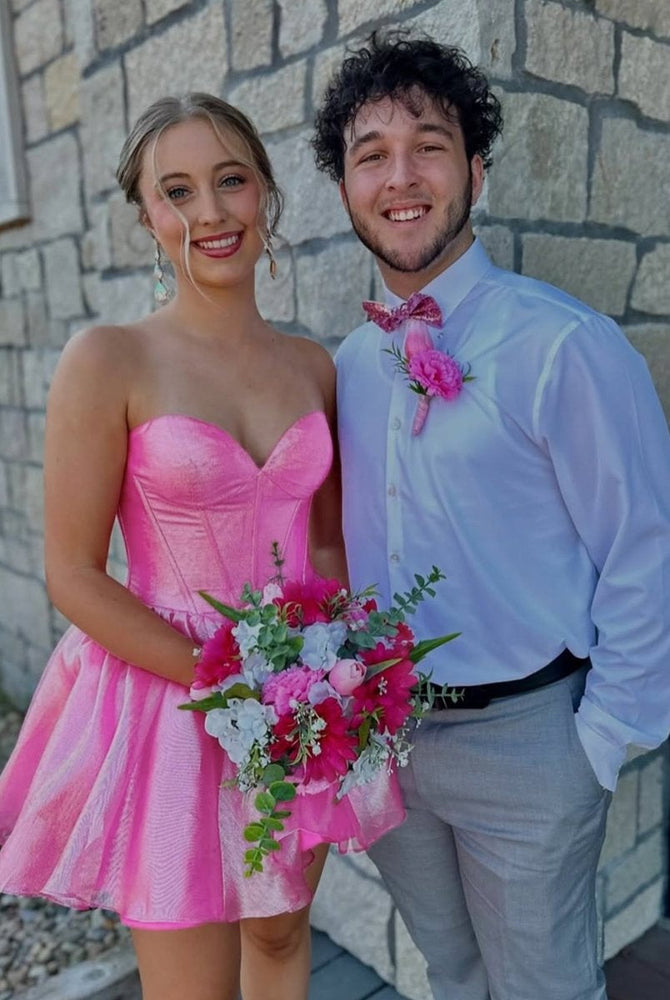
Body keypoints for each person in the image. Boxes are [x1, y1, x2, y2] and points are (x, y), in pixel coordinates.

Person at [0, 93, 404, 1000]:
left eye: (230, 180)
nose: (210, 213)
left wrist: (343, 671)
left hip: (301, 688)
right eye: (176, 191)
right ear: (146, 215)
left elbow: (329, 544)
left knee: (278, 934)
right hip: (171, 700)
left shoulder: (311, 366)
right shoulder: (109, 360)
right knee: (191, 984)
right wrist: (225, 679)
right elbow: (71, 574)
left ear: (265, 190)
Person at [312, 31, 670, 1000]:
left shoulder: (561, 345)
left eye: (428, 144)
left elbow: (644, 549)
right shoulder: (341, 367)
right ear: (344, 187)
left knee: (545, 986)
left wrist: (598, 744)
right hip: (386, 739)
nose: (401, 176)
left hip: (528, 740)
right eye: (369, 155)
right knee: (451, 971)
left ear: (474, 167)